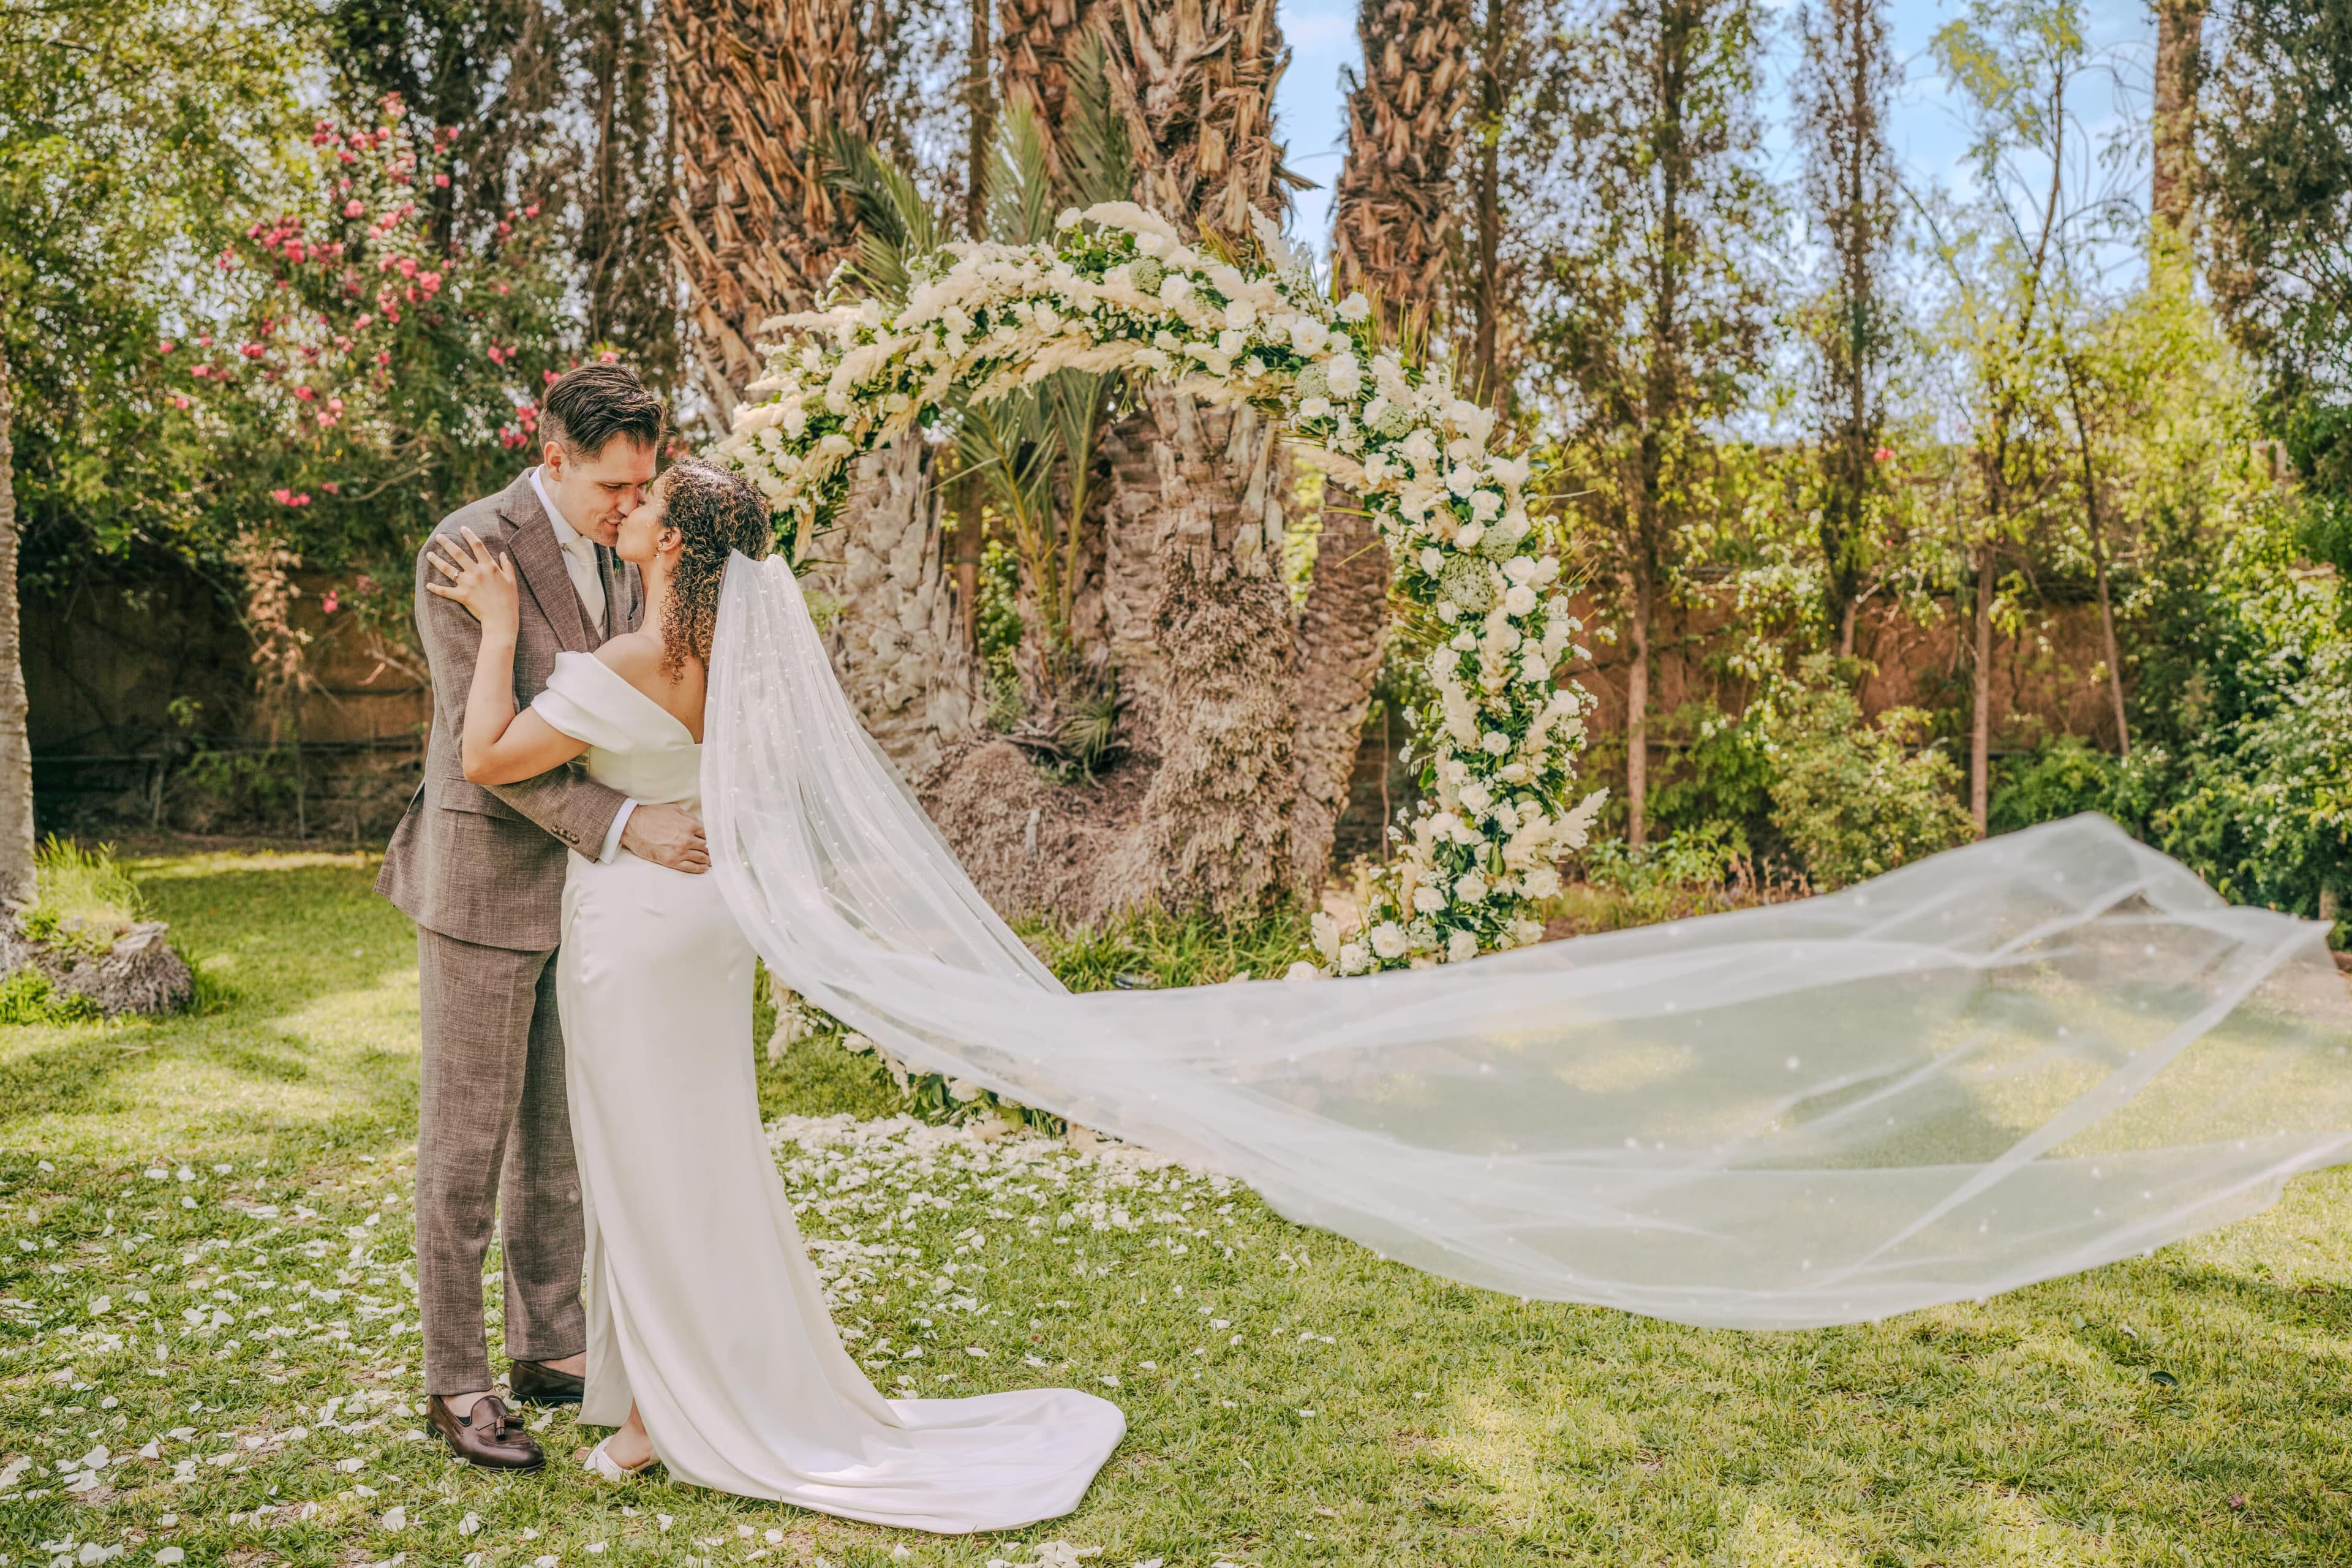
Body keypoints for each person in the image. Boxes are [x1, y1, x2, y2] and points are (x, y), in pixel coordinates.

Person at [424, 458, 1125, 1531]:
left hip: (641, 929)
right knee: (700, 1155)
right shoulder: (729, 658)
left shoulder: (632, 655)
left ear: (673, 546)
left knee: (649, 1168)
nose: (630, 506)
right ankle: (664, 1389)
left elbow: (483, 755)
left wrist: (503, 620)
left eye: (648, 501)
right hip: (703, 926)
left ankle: (662, 1414)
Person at [377, 364, 710, 1472]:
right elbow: (494, 754)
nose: (630, 504)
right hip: (482, 885)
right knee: (465, 1146)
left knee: (558, 1143)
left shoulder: (634, 551)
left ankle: (551, 1346)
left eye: (644, 482)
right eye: (612, 484)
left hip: (591, 902)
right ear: (553, 455)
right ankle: (457, 1379)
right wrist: (629, 823)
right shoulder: (466, 551)